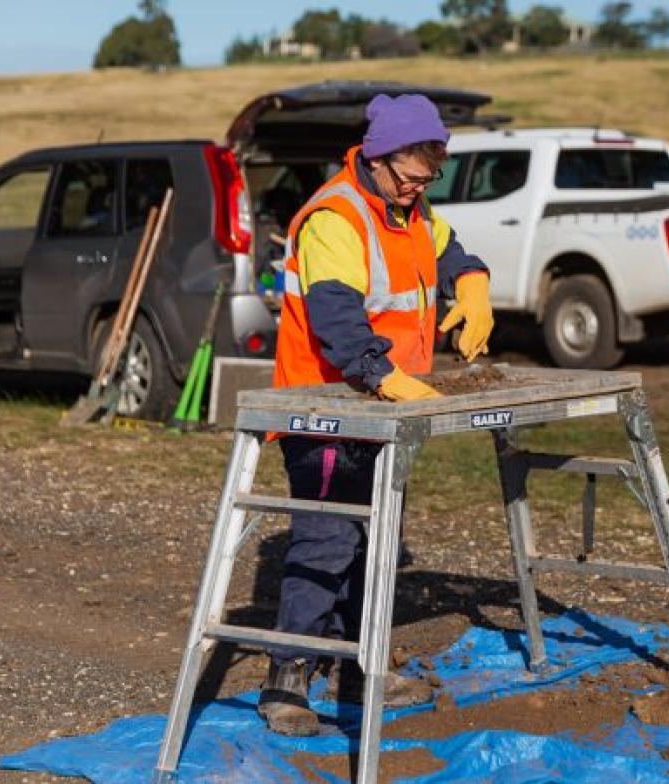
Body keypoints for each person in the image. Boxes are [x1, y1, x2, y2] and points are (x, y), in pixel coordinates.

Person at [258, 93, 494, 736]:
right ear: (379, 158)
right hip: (325, 410)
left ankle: (362, 673)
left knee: (376, 542)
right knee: (327, 542)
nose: (420, 188)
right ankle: (288, 681)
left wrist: (473, 281)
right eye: (413, 176)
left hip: (383, 407)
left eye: (429, 178)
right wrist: (381, 374)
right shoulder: (336, 216)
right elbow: (336, 319)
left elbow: (449, 252)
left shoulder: (409, 209)